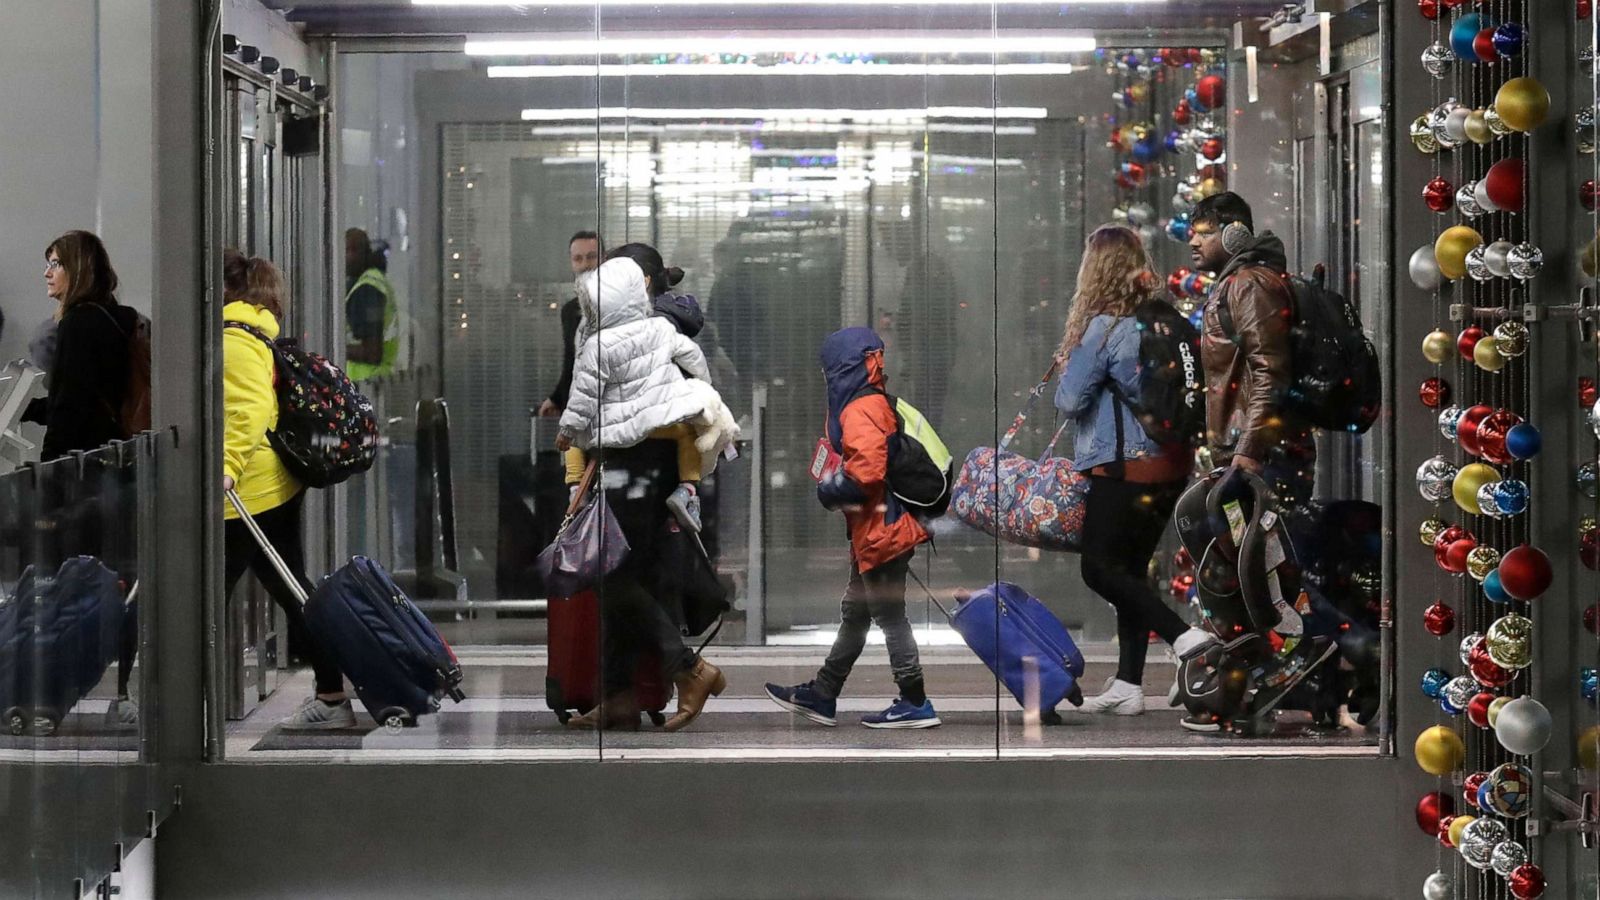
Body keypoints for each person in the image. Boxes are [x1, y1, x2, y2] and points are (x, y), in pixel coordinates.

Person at [1052, 226, 1216, 717]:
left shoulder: (1105, 326)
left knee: (1099, 568)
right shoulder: (1167, 320)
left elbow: (1069, 400)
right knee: (1130, 573)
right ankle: (1128, 683)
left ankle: (1185, 637)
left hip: (1125, 468)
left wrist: (1069, 362)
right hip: (1173, 465)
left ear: (1094, 270)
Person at [764, 327, 940, 729]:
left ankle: (915, 700)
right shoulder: (873, 402)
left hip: (884, 530)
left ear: (842, 369)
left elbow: (866, 476)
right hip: (880, 528)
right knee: (856, 613)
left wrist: (830, 488)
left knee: (888, 614)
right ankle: (824, 694)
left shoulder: (859, 409)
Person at [223, 251, 354, 730]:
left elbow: (249, 412)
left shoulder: (233, 340)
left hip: (247, 493)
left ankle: (332, 694)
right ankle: (331, 693)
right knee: (294, 588)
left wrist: (227, 468)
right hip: (267, 487)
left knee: (204, 598)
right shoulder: (254, 332)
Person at [557, 245, 738, 533]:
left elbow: (583, 395)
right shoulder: (661, 327)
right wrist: (702, 387)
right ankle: (688, 491)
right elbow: (693, 357)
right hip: (658, 424)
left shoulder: (596, 342)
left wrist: (568, 430)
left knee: (577, 443)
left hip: (610, 432)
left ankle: (576, 489)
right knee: (689, 435)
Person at [1187, 191, 1314, 509]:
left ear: (1234, 234)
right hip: (1250, 455)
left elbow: (1271, 370)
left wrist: (1248, 448)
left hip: (1261, 458)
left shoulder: (1249, 285)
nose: (1193, 243)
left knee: (1265, 556)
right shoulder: (1235, 284)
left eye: (1205, 234)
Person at [21, 231, 141, 461]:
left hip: (89, 463)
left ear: (78, 269)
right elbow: (88, 398)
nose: (47, 273)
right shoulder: (122, 317)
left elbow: (70, 407)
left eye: (55, 264)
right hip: (124, 452)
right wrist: (31, 409)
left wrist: (49, 466)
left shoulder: (78, 323)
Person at [538, 230, 603, 418]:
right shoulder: (570, 311)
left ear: (604, 260)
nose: (585, 265)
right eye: (578, 259)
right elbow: (572, 361)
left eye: (591, 257)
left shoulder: (621, 304)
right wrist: (557, 398)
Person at [343, 228, 399, 382]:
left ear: (357, 252)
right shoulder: (375, 280)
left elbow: (372, 352)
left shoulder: (367, 289)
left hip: (364, 383)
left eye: (346, 251)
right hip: (375, 381)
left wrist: (332, 347)